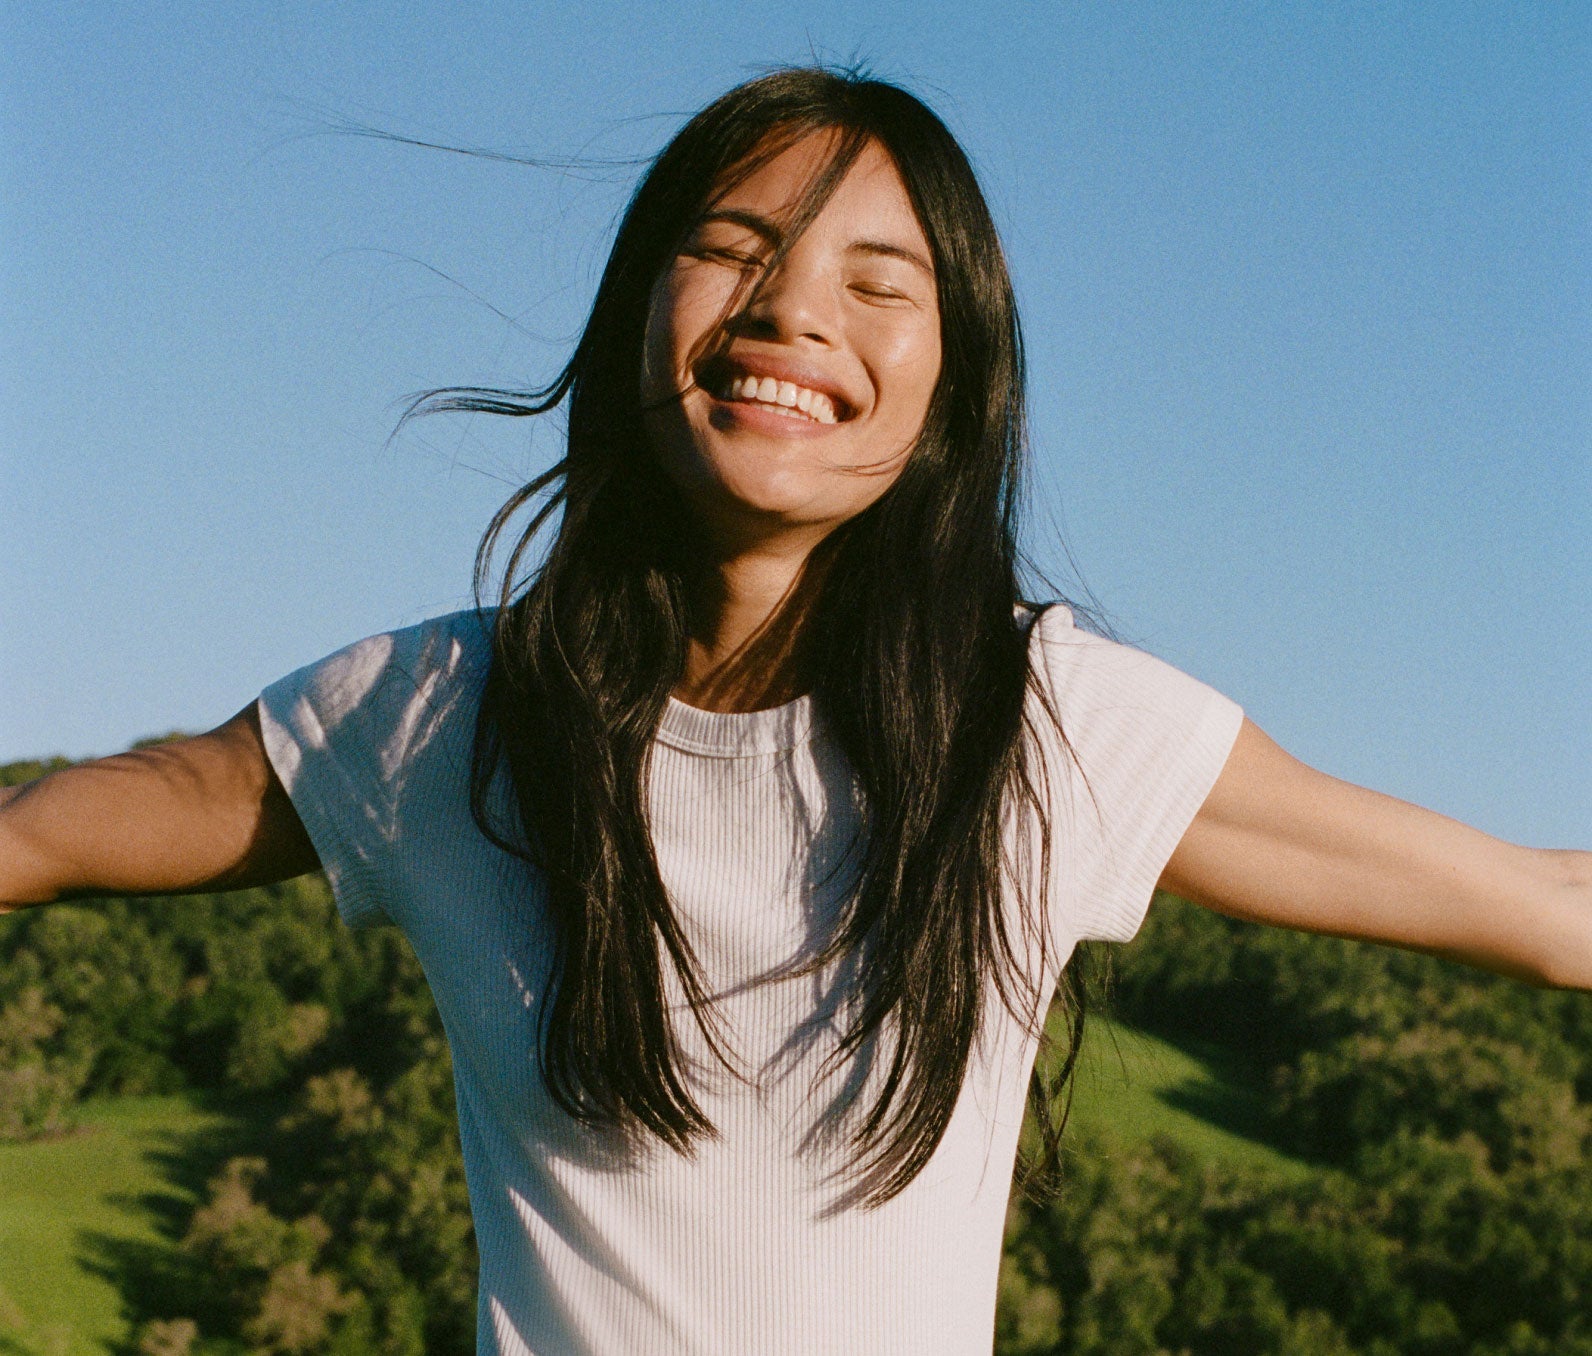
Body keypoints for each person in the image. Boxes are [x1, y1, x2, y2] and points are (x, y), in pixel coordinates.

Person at [1, 67, 1587, 1356]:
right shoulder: (435, 718)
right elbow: (58, 829)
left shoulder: (1048, 727)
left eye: (875, 283)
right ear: (640, 310)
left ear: (954, 391)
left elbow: (1544, 908)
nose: (793, 311)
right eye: (737, 249)